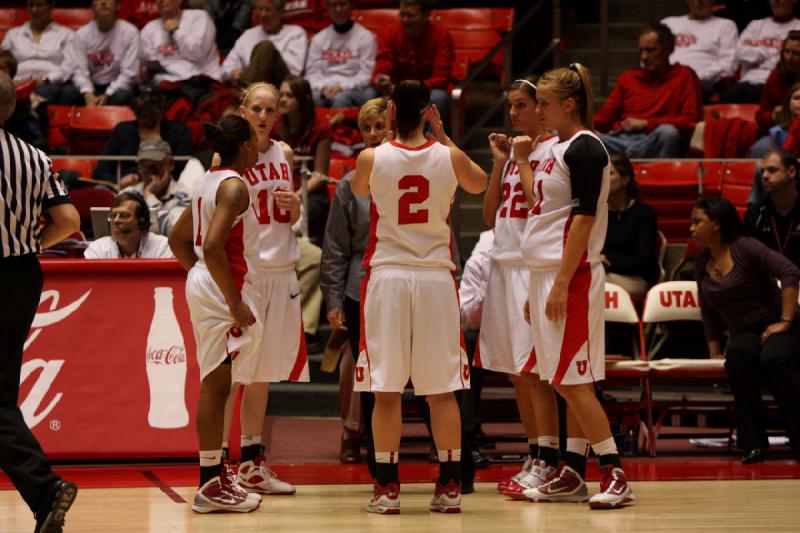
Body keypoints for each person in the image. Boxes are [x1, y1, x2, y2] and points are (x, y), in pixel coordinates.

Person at [350, 80, 487, 514]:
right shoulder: (448, 156)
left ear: (390, 111)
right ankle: (448, 486)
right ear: (429, 111)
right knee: (442, 390)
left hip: (388, 277)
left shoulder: (371, 157)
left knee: (385, 389)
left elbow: (357, 189)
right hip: (434, 279)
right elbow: (481, 184)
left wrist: (394, 136)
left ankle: (387, 488)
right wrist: (443, 138)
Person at [518, 64, 634, 508]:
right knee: (560, 378)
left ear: (569, 104)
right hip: (545, 272)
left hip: (573, 274)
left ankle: (615, 473)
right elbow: (544, 213)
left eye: (545, 103)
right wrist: (540, 284)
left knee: (572, 381)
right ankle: (572, 472)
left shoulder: (587, 149)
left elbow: (582, 220)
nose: (539, 110)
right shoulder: (554, 147)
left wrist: (561, 283)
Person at [168, 115, 263, 513]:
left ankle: (216, 473)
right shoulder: (234, 186)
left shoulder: (208, 179)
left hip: (208, 282)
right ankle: (208, 484)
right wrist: (232, 301)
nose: (260, 146)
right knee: (215, 385)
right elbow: (212, 246)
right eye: (255, 140)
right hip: (221, 286)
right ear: (244, 146)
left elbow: (177, 239)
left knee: (219, 381)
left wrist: (199, 278)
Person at [0, 70, 80, 532]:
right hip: (23, 275)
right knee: (1, 394)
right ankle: (43, 500)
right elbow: (68, 220)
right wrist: (32, 242)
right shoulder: (34, 157)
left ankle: (44, 485)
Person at [219, 82, 305, 497]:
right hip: (248, 273)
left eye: (270, 109)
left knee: (264, 375)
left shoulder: (284, 153)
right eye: (256, 108)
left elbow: (290, 212)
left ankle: (252, 463)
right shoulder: (229, 156)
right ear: (243, 110)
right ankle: (219, 465)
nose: (264, 115)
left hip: (282, 270)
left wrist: (298, 209)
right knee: (234, 374)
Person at [480, 76, 561, 499]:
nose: (514, 113)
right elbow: (489, 216)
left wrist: (524, 160)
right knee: (517, 375)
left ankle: (548, 458)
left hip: (531, 269)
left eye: (522, 105)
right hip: (503, 266)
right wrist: (500, 161)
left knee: (535, 374)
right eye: (509, 105)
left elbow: (541, 206)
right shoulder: (515, 153)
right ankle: (534, 454)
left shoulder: (547, 153)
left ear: (541, 108)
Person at [692, 196, 800, 462]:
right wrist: (715, 352)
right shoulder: (701, 259)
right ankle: (754, 443)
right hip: (746, 332)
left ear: (717, 224)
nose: (691, 228)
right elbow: (707, 310)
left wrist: (785, 321)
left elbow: (790, 272)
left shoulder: (745, 247)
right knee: (737, 356)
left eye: (698, 221)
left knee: (774, 359)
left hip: (779, 322)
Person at [320, 97, 387, 473]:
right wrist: (332, 299)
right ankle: (351, 432)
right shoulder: (349, 185)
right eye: (367, 128)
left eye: (380, 126)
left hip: (406, 278)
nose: (374, 134)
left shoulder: (420, 172)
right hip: (359, 283)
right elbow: (334, 248)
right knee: (352, 363)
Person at [594, 22, 701, 158]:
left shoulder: (683, 75)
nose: (644, 57)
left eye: (651, 50)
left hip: (654, 139)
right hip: (619, 139)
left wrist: (646, 123)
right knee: (585, 138)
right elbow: (604, 117)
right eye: (641, 51)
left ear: (667, 50)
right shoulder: (628, 78)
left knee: (668, 133)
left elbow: (690, 121)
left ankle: (659, 175)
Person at [371, 0, 453, 118]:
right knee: (370, 92)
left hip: (426, 90)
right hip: (396, 90)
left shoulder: (440, 34)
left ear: (426, 16)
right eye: (402, 15)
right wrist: (380, 79)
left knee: (440, 97)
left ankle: (427, 137)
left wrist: (409, 87)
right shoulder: (390, 31)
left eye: (411, 16)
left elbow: (441, 78)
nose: (405, 20)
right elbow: (383, 64)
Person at [92, 91, 193, 185]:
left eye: (152, 116)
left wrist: (156, 144)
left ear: (162, 112)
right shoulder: (122, 130)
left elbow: (185, 173)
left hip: (167, 188)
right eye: (143, 116)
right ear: (136, 114)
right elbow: (100, 172)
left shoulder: (180, 132)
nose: (148, 120)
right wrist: (119, 182)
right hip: (126, 189)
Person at [278, 75, 331, 246]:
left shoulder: (320, 129)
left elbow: (319, 175)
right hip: (283, 191)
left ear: (304, 99)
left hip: (310, 194)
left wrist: (296, 196)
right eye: (281, 95)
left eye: (289, 95)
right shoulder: (275, 127)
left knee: (289, 219)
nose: (283, 100)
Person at [139, 0, 223, 108]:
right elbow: (148, 61)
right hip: (167, 87)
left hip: (202, 83)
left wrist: (175, 31)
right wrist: (147, 72)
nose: (160, 1)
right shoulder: (149, 29)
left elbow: (198, 53)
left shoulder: (199, 18)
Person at [60, 0, 139, 107]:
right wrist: (88, 93)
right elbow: (79, 70)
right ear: (92, 7)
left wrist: (107, 94)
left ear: (118, 5)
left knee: (124, 96)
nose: (103, 2)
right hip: (91, 85)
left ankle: (116, 123)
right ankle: (78, 121)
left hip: (116, 87)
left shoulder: (130, 32)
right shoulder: (81, 34)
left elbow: (130, 73)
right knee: (67, 93)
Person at [602, 153, 660, 296]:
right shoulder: (597, 213)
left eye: (609, 174)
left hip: (635, 277)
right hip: (603, 274)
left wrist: (607, 262)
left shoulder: (644, 213)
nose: (602, 179)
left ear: (625, 179)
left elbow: (643, 260)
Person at [721, 0, 800, 104]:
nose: (777, 1)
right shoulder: (756, 25)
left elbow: (787, 62)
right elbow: (740, 54)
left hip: (779, 84)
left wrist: (755, 48)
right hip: (746, 82)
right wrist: (775, 52)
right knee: (722, 101)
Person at [660, 0, 738, 103]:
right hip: (664, 79)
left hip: (701, 83)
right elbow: (652, 54)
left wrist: (692, 77)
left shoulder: (725, 25)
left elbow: (728, 66)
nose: (698, 2)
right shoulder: (668, 23)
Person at [305, 0, 377, 108]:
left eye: (342, 4)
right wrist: (323, 87)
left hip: (353, 88)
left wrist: (342, 87)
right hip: (324, 87)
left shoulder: (366, 37)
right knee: (311, 97)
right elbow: (312, 74)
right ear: (328, 9)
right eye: (333, 5)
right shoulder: (318, 39)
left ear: (351, 5)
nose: (338, 9)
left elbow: (366, 75)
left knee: (342, 99)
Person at [0, 0, 74, 104]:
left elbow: (69, 66)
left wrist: (46, 80)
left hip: (50, 84)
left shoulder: (66, 34)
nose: (34, 10)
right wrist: (12, 80)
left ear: (51, 6)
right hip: (17, 83)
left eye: (39, 5)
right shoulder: (13, 34)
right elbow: (3, 60)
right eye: (31, 5)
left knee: (62, 92)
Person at [222, 0, 308, 88]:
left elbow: (294, 72)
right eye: (260, 9)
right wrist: (233, 72)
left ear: (280, 12)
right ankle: (250, 93)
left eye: (268, 10)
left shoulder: (295, 33)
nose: (263, 14)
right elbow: (227, 66)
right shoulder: (248, 35)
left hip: (280, 86)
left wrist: (254, 69)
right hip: (251, 85)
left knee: (265, 47)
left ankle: (249, 93)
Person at [120, 140, 191, 236]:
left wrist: (149, 196)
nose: (150, 175)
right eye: (144, 168)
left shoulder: (185, 196)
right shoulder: (127, 194)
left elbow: (174, 233)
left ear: (170, 165)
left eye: (155, 168)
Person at [744, 149, 800, 268]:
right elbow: (747, 258)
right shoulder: (755, 214)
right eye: (763, 171)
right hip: (768, 283)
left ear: (791, 172)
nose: (764, 176)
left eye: (772, 170)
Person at [751, 31, 800, 159]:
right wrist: (773, 115)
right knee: (760, 148)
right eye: (786, 52)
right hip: (783, 131)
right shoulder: (776, 76)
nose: (788, 57)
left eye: (795, 54)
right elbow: (761, 116)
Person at [84, 191, 173, 258]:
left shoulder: (162, 247)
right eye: (113, 215)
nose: (116, 220)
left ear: (142, 221)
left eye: (123, 216)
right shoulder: (97, 250)